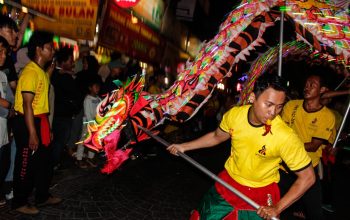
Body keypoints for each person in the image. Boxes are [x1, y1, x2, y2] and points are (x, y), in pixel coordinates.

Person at [167, 73, 315, 220]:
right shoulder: (234, 116)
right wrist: (184, 146)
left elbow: (308, 177)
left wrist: (277, 208)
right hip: (229, 183)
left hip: (261, 192)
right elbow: (216, 136)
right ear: (252, 98)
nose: (273, 112)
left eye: (279, 107)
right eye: (268, 105)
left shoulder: (285, 136)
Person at [11, 31, 61, 215]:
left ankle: (42, 195)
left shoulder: (40, 72)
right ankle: (19, 202)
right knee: (25, 164)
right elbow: (27, 104)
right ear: (39, 50)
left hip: (40, 121)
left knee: (44, 162)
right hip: (27, 122)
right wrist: (33, 133)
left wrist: (46, 128)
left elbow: (42, 102)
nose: (52, 52)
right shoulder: (29, 72)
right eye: (49, 48)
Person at [280, 68, 336, 219]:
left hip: (307, 171)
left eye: (312, 85)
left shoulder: (327, 116)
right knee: (276, 210)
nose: (307, 87)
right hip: (283, 168)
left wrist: (284, 146)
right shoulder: (291, 106)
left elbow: (313, 146)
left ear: (322, 90)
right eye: (306, 84)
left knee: (315, 213)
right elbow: (281, 132)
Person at [0, 36, 14, 207]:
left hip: (3, 131)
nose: (3, 55)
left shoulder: (3, 75)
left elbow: (9, 99)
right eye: (0, 51)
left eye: (4, 51)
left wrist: (8, 105)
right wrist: (8, 106)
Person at [75, 79, 101, 168]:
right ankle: (79, 158)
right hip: (88, 124)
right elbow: (87, 113)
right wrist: (91, 124)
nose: (97, 89)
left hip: (96, 124)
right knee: (83, 140)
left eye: (98, 87)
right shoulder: (87, 99)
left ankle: (90, 158)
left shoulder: (98, 99)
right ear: (90, 88)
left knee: (93, 141)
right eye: (95, 87)